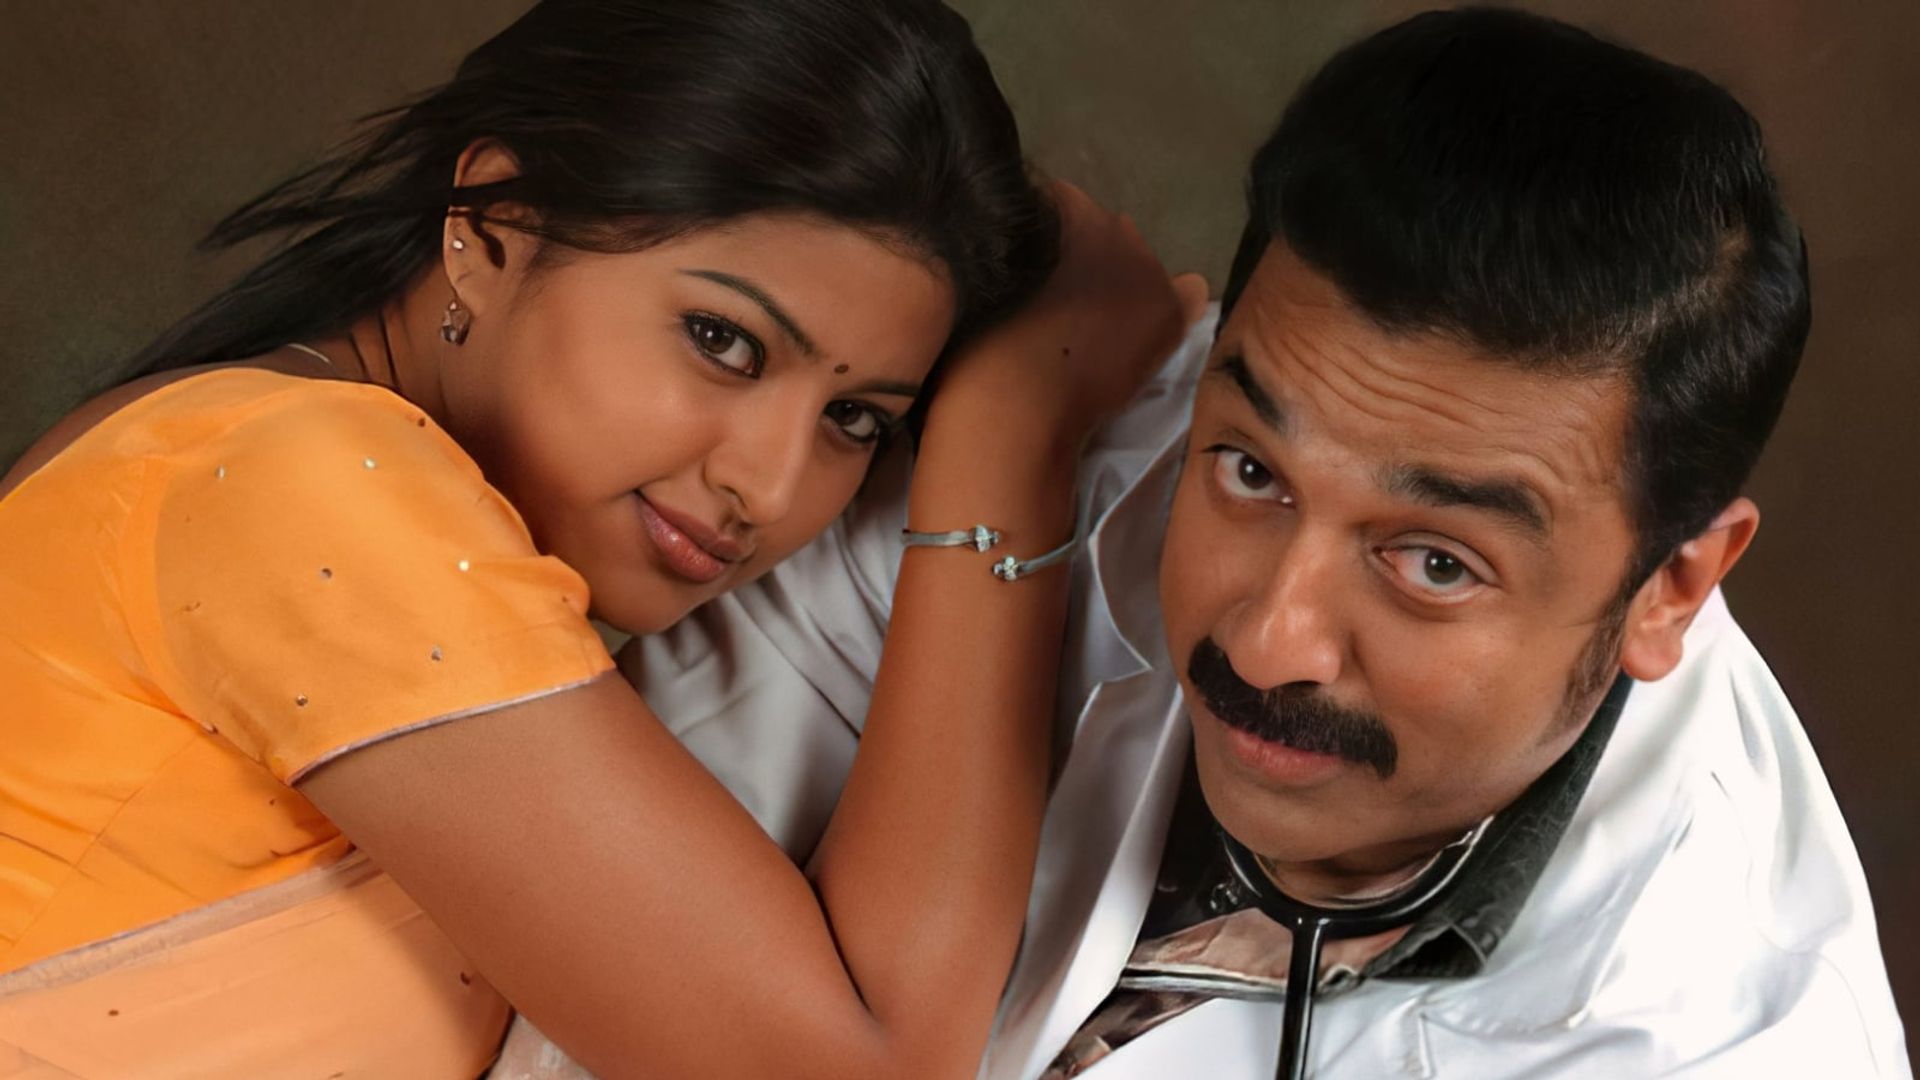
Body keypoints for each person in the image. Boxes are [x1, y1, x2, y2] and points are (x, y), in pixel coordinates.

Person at [623, 8, 1912, 1077]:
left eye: (1434, 563)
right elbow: (607, 894)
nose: (1267, 641)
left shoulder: (1723, 1041)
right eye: (1252, 473)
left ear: (1671, 587)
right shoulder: (1073, 431)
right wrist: (1008, 440)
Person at [0, 1, 1202, 1077]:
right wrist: (1014, 435)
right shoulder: (298, 480)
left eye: (855, 419)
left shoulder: (293, 475)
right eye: (724, 341)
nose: (769, 485)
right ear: (493, 224)